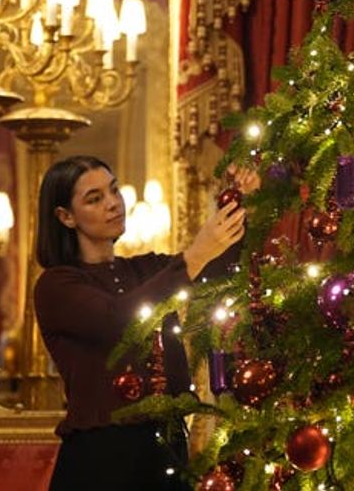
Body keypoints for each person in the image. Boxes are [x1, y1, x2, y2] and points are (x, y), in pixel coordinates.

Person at [34, 155, 259, 491]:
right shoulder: (56, 285)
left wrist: (239, 201)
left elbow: (218, 271)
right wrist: (195, 254)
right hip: (102, 459)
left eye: (114, 190)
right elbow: (117, 320)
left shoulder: (145, 269)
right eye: (95, 199)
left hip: (166, 448)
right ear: (66, 216)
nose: (113, 203)